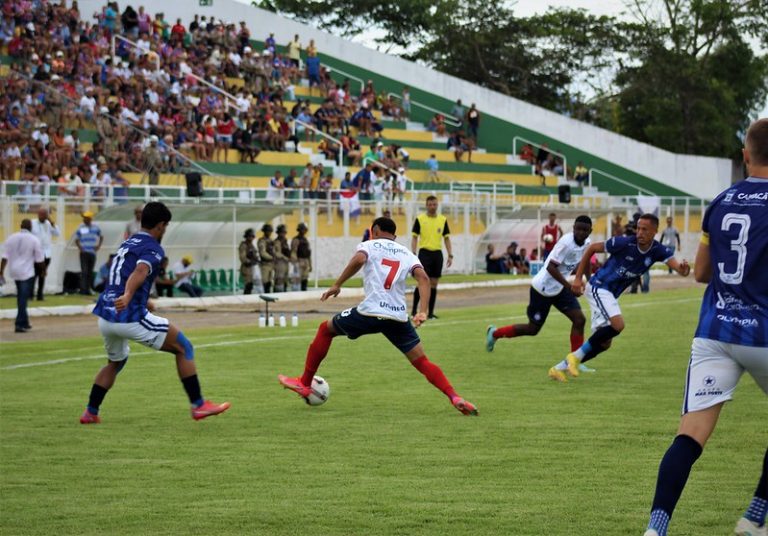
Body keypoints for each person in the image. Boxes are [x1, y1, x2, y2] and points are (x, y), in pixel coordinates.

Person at [643, 118, 768, 536]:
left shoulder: (720, 201)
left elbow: (700, 272)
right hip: (764, 334)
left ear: (745, 155)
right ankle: (753, 516)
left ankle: (655, 530)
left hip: (716, 332)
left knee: (689, 437)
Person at [277, 217, 478, 416]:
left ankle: (304, 383)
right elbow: (423, 278)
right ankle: (454, 397)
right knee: (422, 362)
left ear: (375, 230)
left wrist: (337, 284)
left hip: (370, 312)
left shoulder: (370, 245)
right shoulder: (407, 254)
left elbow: (359, 259)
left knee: (325, 329)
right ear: (395, 236)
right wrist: (423, 310)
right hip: (398, 317)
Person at [80, 202, 230, 424]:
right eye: (166, 226)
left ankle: (90, 412)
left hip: (106, 314)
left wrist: (142, 299)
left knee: (116, 362)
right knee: (184, 347)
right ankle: (198, 405)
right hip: (128, 315)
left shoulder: (128, 242)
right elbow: (140, 271)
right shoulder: (153, 247)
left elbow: (123, 274)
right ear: (160, 226)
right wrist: (130, 295)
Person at [549, 214, 691, 379]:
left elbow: (680, 270)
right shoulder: (624, 242)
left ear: (655, 231)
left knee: (604, 343)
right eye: (638, 228)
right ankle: (574, 357)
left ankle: (559, 368)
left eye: (645, 229)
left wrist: (684, 269)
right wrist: (579, 278)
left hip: (609, 294)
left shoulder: (658, 250)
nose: (639, 232)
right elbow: (592, 248)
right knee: (618, 324)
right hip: (599, 287)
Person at [486, 216, 596, 379]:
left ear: (590, 231)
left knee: (579, 320)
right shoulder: (565, 243)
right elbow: (551, 267)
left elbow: (585, 260)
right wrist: (570, 286)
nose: (580, 232)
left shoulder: (588, 243)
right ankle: (495, 333)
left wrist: (589, 279)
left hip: (560, 288)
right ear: (573, 228)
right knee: (533, 329)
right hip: (542, 289)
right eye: (578, 228)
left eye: (584, 230)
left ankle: (576, 360)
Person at [411, 196, 453, 319]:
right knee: (422, 282)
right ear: (426, 205)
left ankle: (430, 313)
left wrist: (450, 255)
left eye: (434, 204)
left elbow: (447, 238)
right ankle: (414, 311)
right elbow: (414, 237)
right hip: (424, 253)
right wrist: (413, 253)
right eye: (430, 204)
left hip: (437, 254)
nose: (432, 207)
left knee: (434, 283)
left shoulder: (443, 220)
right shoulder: (420, 219)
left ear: (437, 205)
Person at [1, 219, 44, 333]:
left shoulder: (11, 237)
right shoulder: (34, 239)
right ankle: (19, 324)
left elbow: (4, 257)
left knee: (21, 295)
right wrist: (43, 271)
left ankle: (24, 321)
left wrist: (1, 272)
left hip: (14, 271)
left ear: (21, 226)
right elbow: (39, 259)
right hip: (27, 272)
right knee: (23, 298)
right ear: (30, 227)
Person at [30, 207, 60, 301]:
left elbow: (57, 233)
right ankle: (30, 295)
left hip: (47, 254)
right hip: (35, 253)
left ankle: (40, 295)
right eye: (41, 214)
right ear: (38, 214)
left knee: (42, 275)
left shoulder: (49, 224)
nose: (43, 216)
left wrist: (51, 222)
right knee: (33, 275)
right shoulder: (32, 223)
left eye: (45, 215)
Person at [74, 211, 103, 295]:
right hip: (84, 252)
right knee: (84, 271)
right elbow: (77, 239)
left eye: (86, 218)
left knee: (90, 271)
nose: (84, 219)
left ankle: (88, 289)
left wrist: (98, 246)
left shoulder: (95, 227)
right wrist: (80, 248)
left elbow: (101, 236)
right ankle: (83, 290)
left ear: (90, 219)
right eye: (84, 218)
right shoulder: (81, 227)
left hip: (92, 252)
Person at [291, 223, 312, 291]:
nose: (304, 231)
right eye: (303, 229)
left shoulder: (305, 240)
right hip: (299, 261)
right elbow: (294, 252)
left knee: (305, 278)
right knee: (297, 279)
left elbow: (308, 253)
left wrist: (310, 264)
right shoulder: (296, 239)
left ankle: (304, 291)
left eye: (305, 230)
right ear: (299, 230)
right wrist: (295, 263)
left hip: (306, 261)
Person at [239, 228, 258, 295]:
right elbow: (242, 257)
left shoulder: (251, 245)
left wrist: (256, 260)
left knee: (250, 285)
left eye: (252, 236)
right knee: (248, 285)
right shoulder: (244, 245)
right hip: (246, 268)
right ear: (246, 236)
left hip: (251, 267)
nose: (251, 238)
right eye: (249, 236)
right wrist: (249, 261)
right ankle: (245, 298)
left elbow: (255, 255)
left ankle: (248, 297)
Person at [273, 224, 291, 292]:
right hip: (279, 262)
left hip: (285, 262)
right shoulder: (277, 241)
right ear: (278, 233)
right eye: (282, 232)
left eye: (284, 232)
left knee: (285, 279)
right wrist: (285, 257)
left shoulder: (285, 240)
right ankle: (277, 293)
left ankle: (284, 292)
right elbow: (277, 253)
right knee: (279, 279)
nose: (283, 234)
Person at [257, 224, 275, 293]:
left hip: (271, 264)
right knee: (265, 282)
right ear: (264, 231)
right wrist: (272, 257)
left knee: (269, 283)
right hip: (265, 264)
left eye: (270, 231)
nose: (269, 232)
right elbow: (262, 253)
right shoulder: (262, 240)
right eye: (268, 231)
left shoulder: (270, 240)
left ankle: (268, 296)